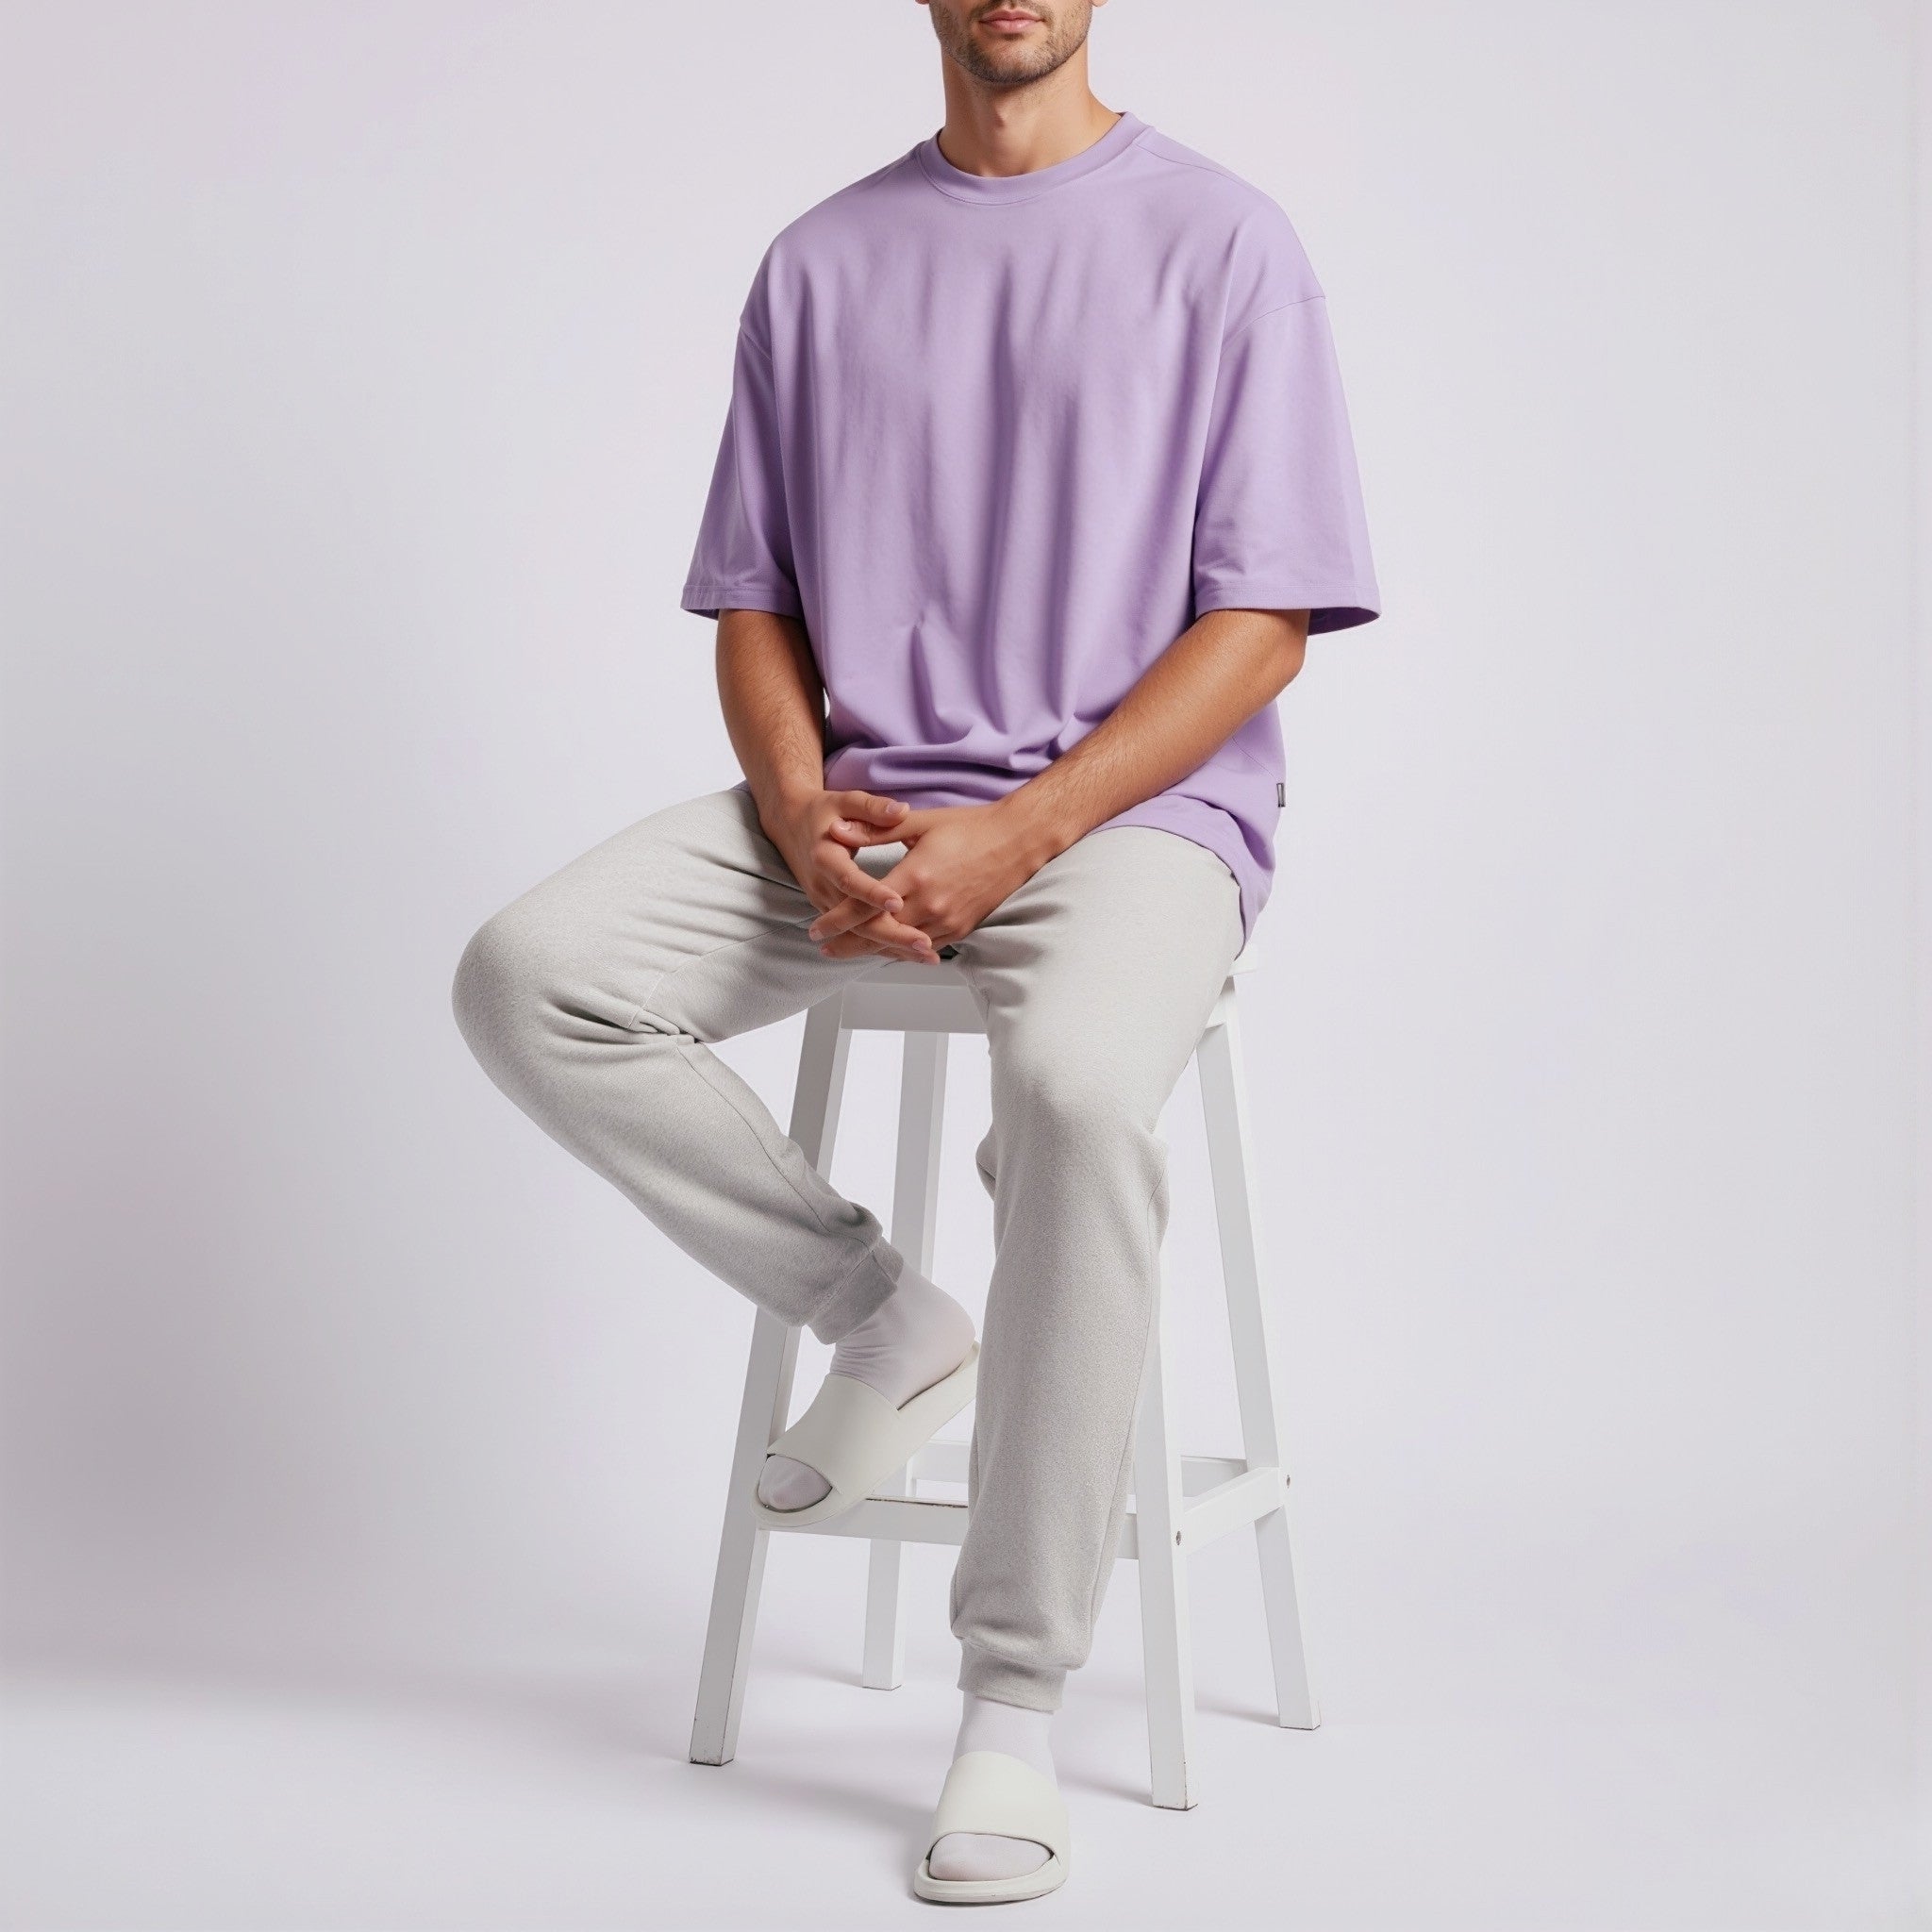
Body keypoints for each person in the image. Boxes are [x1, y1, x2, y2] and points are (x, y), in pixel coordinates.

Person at [451, 0, 1378, 1904]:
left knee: (1067, 1086)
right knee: (533, 970)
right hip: (861, 813)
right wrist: (802, 818)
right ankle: (881, 1313)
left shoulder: (1222, 241)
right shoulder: (821, 261)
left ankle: (1012, 1706)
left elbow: (1263, 622)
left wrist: (1015, 837)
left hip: (1125, 825)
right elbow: (756, 604)